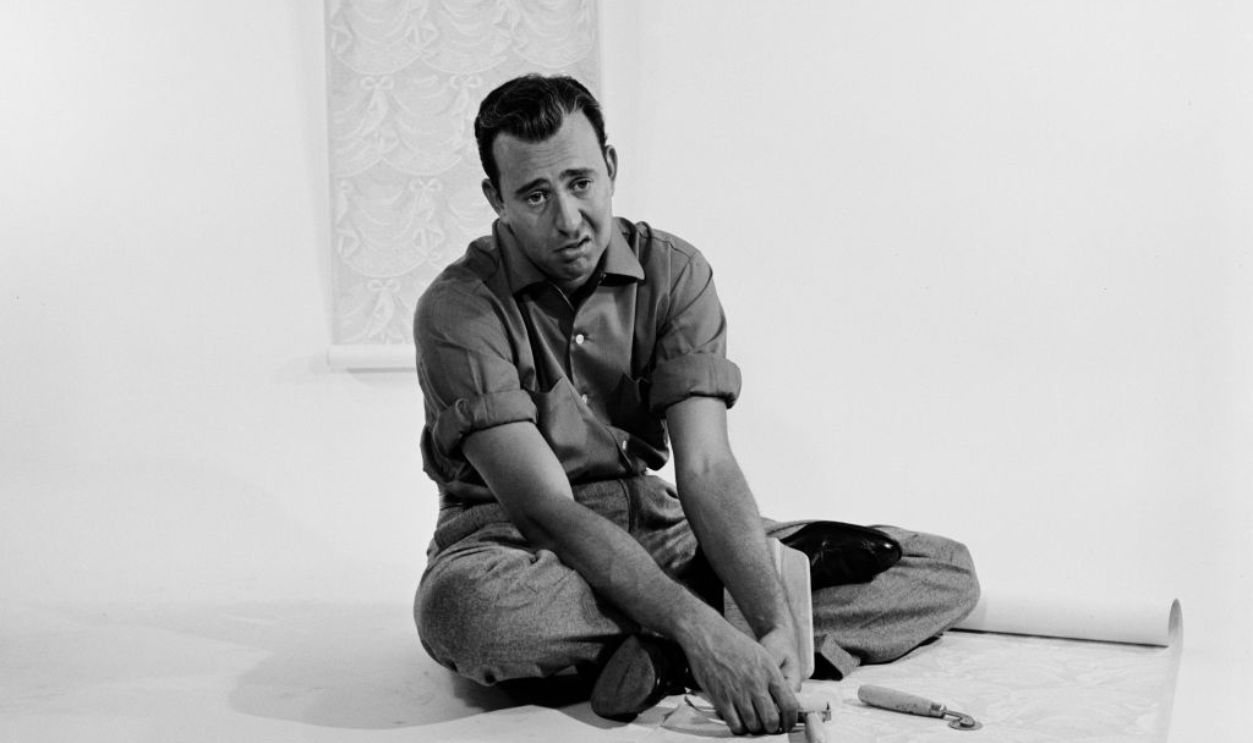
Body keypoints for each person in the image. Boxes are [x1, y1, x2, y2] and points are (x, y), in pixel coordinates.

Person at [412, 74, 979, 736]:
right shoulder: (456, 307)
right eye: (534, 196)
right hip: (511, 538)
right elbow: (546, 510)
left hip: (655, 523)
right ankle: (700, 621)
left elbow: (705, 465)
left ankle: (664, 651)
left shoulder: (675, 270)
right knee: (474, 616)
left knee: (940, 571)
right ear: (495, 199)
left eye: (579, 182)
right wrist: (705, 625)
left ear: (611, 167)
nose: (567, 218)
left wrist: (771, 622)